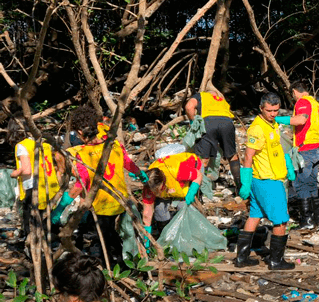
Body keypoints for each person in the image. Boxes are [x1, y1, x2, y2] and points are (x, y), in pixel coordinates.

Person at [52, 106, 147, 269]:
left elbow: (80, 184)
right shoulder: (113, 144)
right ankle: (123, 266)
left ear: (80, 133)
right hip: (119, 201)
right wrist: (139, 174)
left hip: (101, 206)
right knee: (109, 235)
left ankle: (104, 273)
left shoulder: (82, 153)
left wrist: (61, 207)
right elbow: (128, 162)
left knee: (98, 242)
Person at [236, 93, 296, 269]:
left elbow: (277, 148)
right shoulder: (257, 129)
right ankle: (276, 260)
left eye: (276, 110)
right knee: (281, 220)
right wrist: (245, 182)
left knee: (255, 215)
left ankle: (242, 258)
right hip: (267, 181)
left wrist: (288, 165)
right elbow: (248, 156)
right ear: (261, 108)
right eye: (269, 110)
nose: (273, 114)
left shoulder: (273, 124)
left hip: (264, 180)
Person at [275, 82, 319, 230]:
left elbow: (301, 120)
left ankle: (306, 221)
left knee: (301, 184)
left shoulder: (303, 102)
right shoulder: (317, 105)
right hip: (317, 147)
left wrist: (277, 120)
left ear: (294, 91)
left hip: (306, 148)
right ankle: (316, 218)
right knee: (311, 184)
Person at [184, 89, 241, 192]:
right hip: (227, 123)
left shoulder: (201, 95)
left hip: (208, 123)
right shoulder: (222, 101)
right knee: (232, 156)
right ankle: (240, 188)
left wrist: (193, 120)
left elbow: (189, 107)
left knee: (203, 160)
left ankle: (197, 192)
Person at [141, 152, 204, 242]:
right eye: (153, 191)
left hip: (192, 167)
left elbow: (198, 175)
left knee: (182, 207)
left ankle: (187, 235)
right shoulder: (149, 183)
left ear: (162, 183)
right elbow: (147, 212)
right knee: (159, 209)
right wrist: (146, 236)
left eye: (156, 191)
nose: (153, 193)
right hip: (170, 185)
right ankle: (165, 234)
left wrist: (192, 191)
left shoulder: (178, 172)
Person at [11, 132, 64, 236]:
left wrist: (14, 173)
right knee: (45, 217)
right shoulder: (45, 143)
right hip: (48, 186)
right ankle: (47, 241)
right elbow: (59, 157)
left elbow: (26, 170)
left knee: (32, 221)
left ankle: (31, 242)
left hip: (32, 187)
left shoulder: (22, 145)